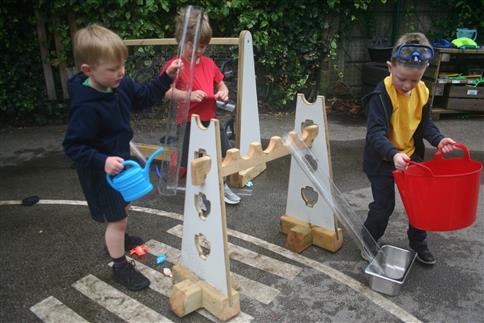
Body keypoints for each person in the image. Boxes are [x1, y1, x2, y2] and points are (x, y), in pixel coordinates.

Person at [63, 24, 182, 291]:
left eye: (122, 65)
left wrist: (166, 78)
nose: (121, 72)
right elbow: (73, 146)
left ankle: (119, 237)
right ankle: (118, 265)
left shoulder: (120, 84)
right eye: (113, 69)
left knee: (123, 208)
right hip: (100, 172)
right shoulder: (85, 106)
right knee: (117, 219)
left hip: (119, 166)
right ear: (88, 70)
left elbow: (143, 98)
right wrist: (102, 160)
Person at [362, 32, 456, 265]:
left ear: (423, 73)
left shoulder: (422, 91)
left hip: (411, 157)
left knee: (419, 204)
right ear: (389, 67)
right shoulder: (381, 94)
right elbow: (375, 134)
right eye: (402, 78)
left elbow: (425, 125)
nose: (407, 86)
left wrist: (438, 140)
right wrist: (393, 154)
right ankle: (368, 240)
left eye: (414, 80)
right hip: (383, 159)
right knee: (384, 206)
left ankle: (418, 243)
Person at [160, 7, 241, 205]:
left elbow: (220, 83)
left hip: (211, 120)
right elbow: (165, 91)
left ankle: (222, 186)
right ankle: (199, 193)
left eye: (203, 46)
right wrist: (188, 95)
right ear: (181, 40)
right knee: (193, 160)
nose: (198, 50)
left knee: (222, 153)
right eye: (193, 45)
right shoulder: (175, 65)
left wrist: (223, 92)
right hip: (187, 122)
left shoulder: (209, 63)